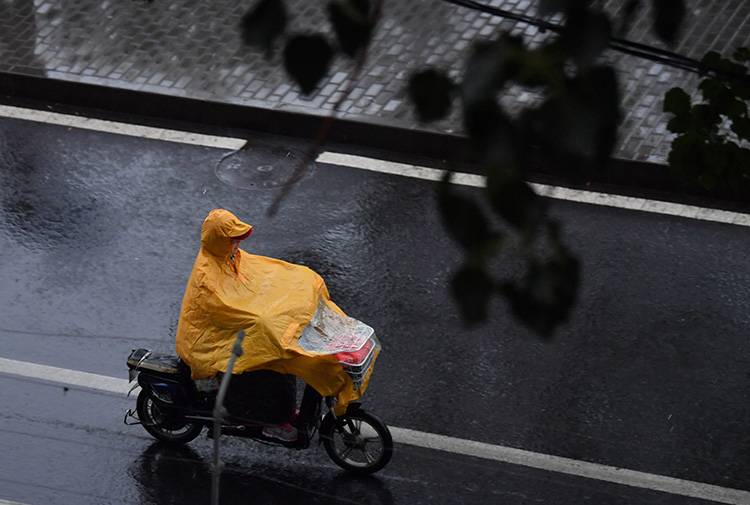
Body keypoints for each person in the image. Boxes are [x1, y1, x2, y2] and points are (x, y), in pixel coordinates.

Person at [175, 208, 299, 442]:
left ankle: (283, 413)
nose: (237, 245)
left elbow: (254, 274)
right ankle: (267, 421)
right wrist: (260, 319)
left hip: (224, 330)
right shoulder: (207, 274)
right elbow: (225, 309)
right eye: (232, 240)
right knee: (265, 364)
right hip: (208, 340)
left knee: (282, 358)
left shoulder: (228, 256)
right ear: (220, 241)